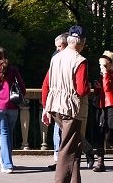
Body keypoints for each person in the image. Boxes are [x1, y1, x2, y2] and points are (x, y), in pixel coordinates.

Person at [42, 25, 90, 183]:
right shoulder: (80, 60)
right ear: (82, 42)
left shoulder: (56, 58)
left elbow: (47, 83)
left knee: (74, 146)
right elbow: (81, 90)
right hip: (71, 108)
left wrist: (45, 107)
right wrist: (90, 88)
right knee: (68, 149)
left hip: (55, 105)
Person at [0, 47, 26, 174]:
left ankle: (7, 164)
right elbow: (22, 89)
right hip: (13, 106)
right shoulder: (14, 70)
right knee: (8, 134)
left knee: (4, 134)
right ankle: (5, 159)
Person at [47, 33, 69, 171]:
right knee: (58, 131)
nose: (58, 49)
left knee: (68, 131)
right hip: (57, 101)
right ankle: (58, 159)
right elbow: (48, 81)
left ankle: (87, 152)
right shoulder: (55, 57)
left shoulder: (74, 59)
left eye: (60, 46)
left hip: (67, 102)